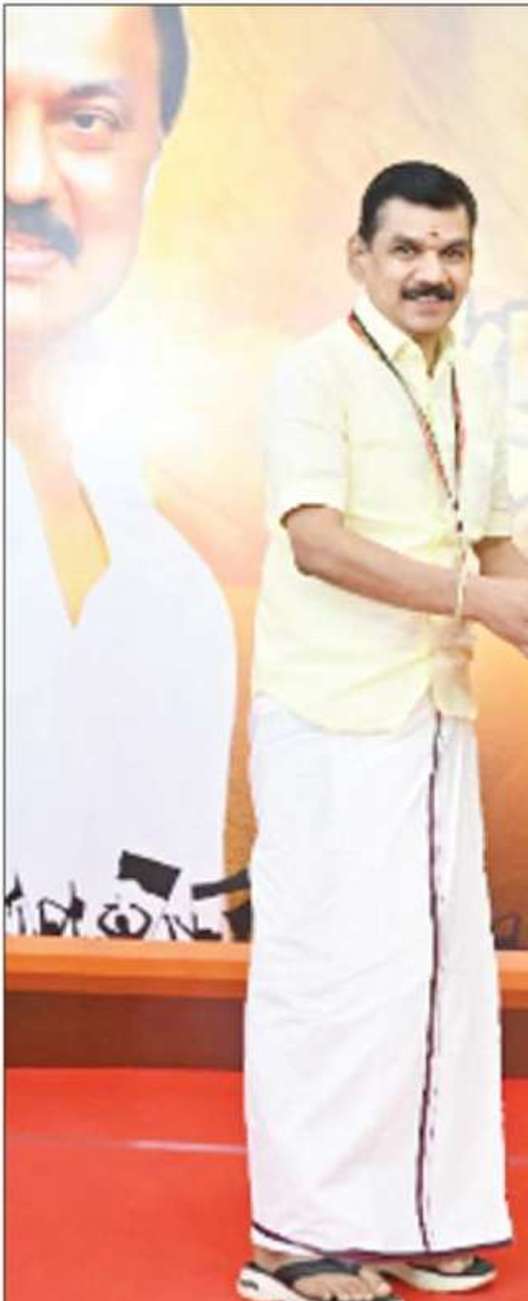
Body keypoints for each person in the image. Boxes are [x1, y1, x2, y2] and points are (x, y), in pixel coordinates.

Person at [237, 160, 528, 1301]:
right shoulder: (315, 371)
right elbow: (317, 541)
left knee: (430, 975)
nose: (430, 271)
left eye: (451, 250)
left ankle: (409, 1217)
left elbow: (490, 545)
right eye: (406, 249)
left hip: (434, 709)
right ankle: (292, 1236)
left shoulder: (470, 380)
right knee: (328, 973)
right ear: (360, 256)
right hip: (332, 709)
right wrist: (480, 599)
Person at [4, 5, 235, 938]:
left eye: (87, 120)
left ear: (155, 155)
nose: (23, 178)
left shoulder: (172, 587)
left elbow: (170, 951)